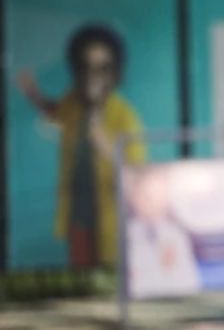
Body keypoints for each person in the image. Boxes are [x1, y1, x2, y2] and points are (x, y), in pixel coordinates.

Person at [17, 23, 146, 267]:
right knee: (81, 264)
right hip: (78, 207)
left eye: (102, 69)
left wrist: (107, 148)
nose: (93, 77)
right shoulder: (74, 104)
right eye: (86, 68)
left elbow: (138, 172)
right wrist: (32, 92)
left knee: (109, 265)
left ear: (115, 72)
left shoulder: (125, 116)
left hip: (110, 211)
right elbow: (55, 113)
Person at [126, 165, 200, 298]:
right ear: (134, 197)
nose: (153, 203)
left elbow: (189, 281)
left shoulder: (177, 234)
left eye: (158, 196)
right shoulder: (125, 235)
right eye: (146, 195)